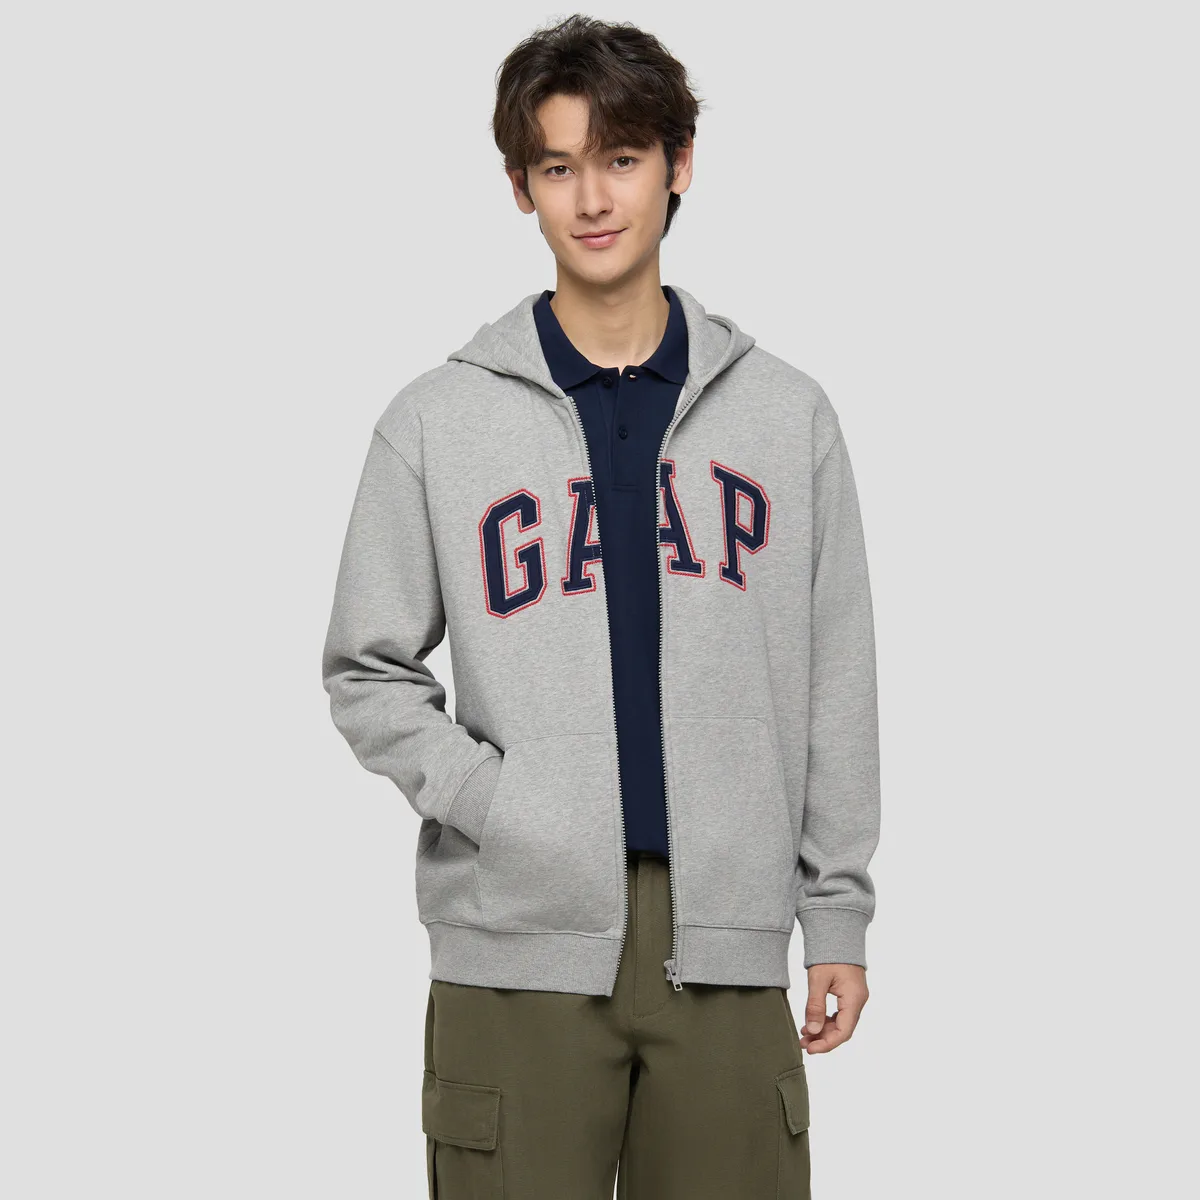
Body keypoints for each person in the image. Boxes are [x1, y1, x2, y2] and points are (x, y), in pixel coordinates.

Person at [321, 14, 880, 1198]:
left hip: (727, 946)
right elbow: (366, 669)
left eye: (620, 159)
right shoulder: (436, 422)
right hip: (513, 950)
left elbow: (837, 676)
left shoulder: (786, 419)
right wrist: (498, 802)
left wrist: (835, 914)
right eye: (558, 165)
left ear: (680, 165)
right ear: (520, 186)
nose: (592, 199)